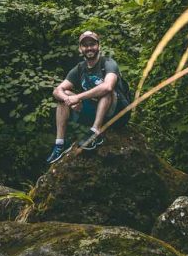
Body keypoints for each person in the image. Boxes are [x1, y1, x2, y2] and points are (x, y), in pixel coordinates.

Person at [45, 30, 130, 164]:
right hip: (96, 110)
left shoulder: (108, 63)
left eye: (92, 44)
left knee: (105, 90)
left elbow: (108, 87)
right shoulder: (80, 68)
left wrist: (78, 97)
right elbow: (57, 90)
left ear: (98, 46)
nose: (89, 48)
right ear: (80, 49)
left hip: (117, 112)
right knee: (63, 97)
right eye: (85, 45)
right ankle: (60, 144)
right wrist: (68, 99)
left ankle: (95, 132)